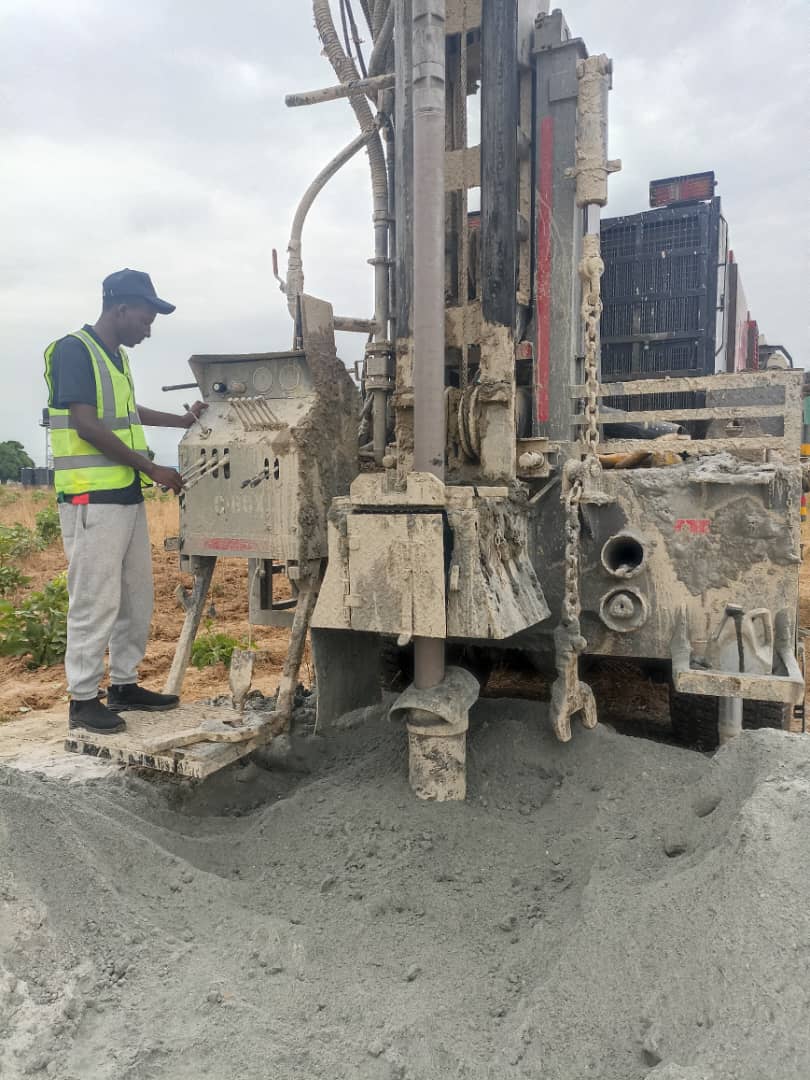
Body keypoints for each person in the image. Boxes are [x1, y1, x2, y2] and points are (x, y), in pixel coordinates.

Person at [44, 268, 207, 735]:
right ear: (121, 309)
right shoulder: (74, 350)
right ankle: (82, 700)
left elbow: (127, 412)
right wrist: (151, 468)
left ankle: (123, 685)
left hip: (123, 496)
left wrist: (181, 421)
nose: (149, 328)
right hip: (90, 499)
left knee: (135, 598)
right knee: (94, 600)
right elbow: (87, 425)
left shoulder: (115, 358)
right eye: (146, 317)